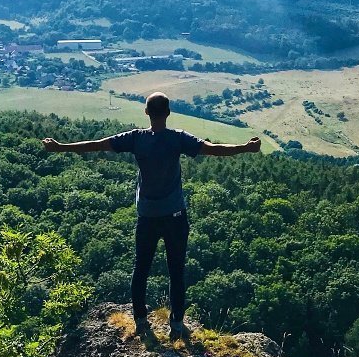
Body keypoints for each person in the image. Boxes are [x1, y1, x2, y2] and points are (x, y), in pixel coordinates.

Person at [43, 92, 260, 340]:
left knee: (141, 268)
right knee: (176, 270)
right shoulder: (178, 139)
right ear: (168, 113)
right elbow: (213, 149)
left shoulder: (136, 139)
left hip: (147, 216)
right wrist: (245, 148)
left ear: (146, 112)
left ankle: (140, 321)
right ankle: (177, 325)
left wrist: (61, 148)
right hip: (175, 215)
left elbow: (98, 144)